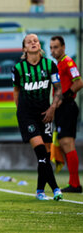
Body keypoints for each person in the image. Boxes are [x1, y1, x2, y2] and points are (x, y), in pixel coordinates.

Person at [12, 33, 63, 201]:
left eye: (35, 40)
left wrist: (52, 108)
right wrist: (22, 113)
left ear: (39, 45)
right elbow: (16, 92)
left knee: (46, 156)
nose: (33, 43)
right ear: (24, 48)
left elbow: (58, 89)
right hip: (27, 116)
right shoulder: (18, 68)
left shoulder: (50, 65)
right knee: (41, 150)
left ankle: (40, 190)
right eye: (29, 41)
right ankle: (56, 189)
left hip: (45, 113)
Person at [50, 35, 83, 193]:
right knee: (64, 144)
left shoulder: (68, 62)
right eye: (51, 48)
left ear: (63, 47)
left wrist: (64, 97)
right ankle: (74, 183)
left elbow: (79, 82)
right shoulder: (59, 64)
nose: (53, 50)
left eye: (56, 47)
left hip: (67, 107)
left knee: (67, 143)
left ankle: (75, 184)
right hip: (61, 109)